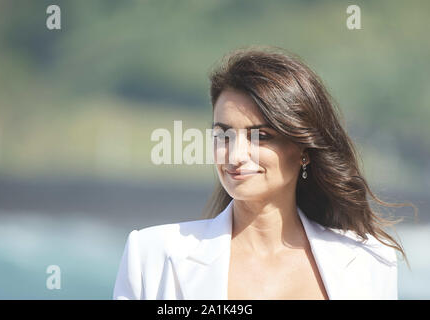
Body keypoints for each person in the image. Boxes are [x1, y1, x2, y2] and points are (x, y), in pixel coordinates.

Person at [113, 45, 415, 300]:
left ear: (303, 150)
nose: (236, 155)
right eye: (224, 135)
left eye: (262, 136)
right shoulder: (152, 255)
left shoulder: (368, 261)